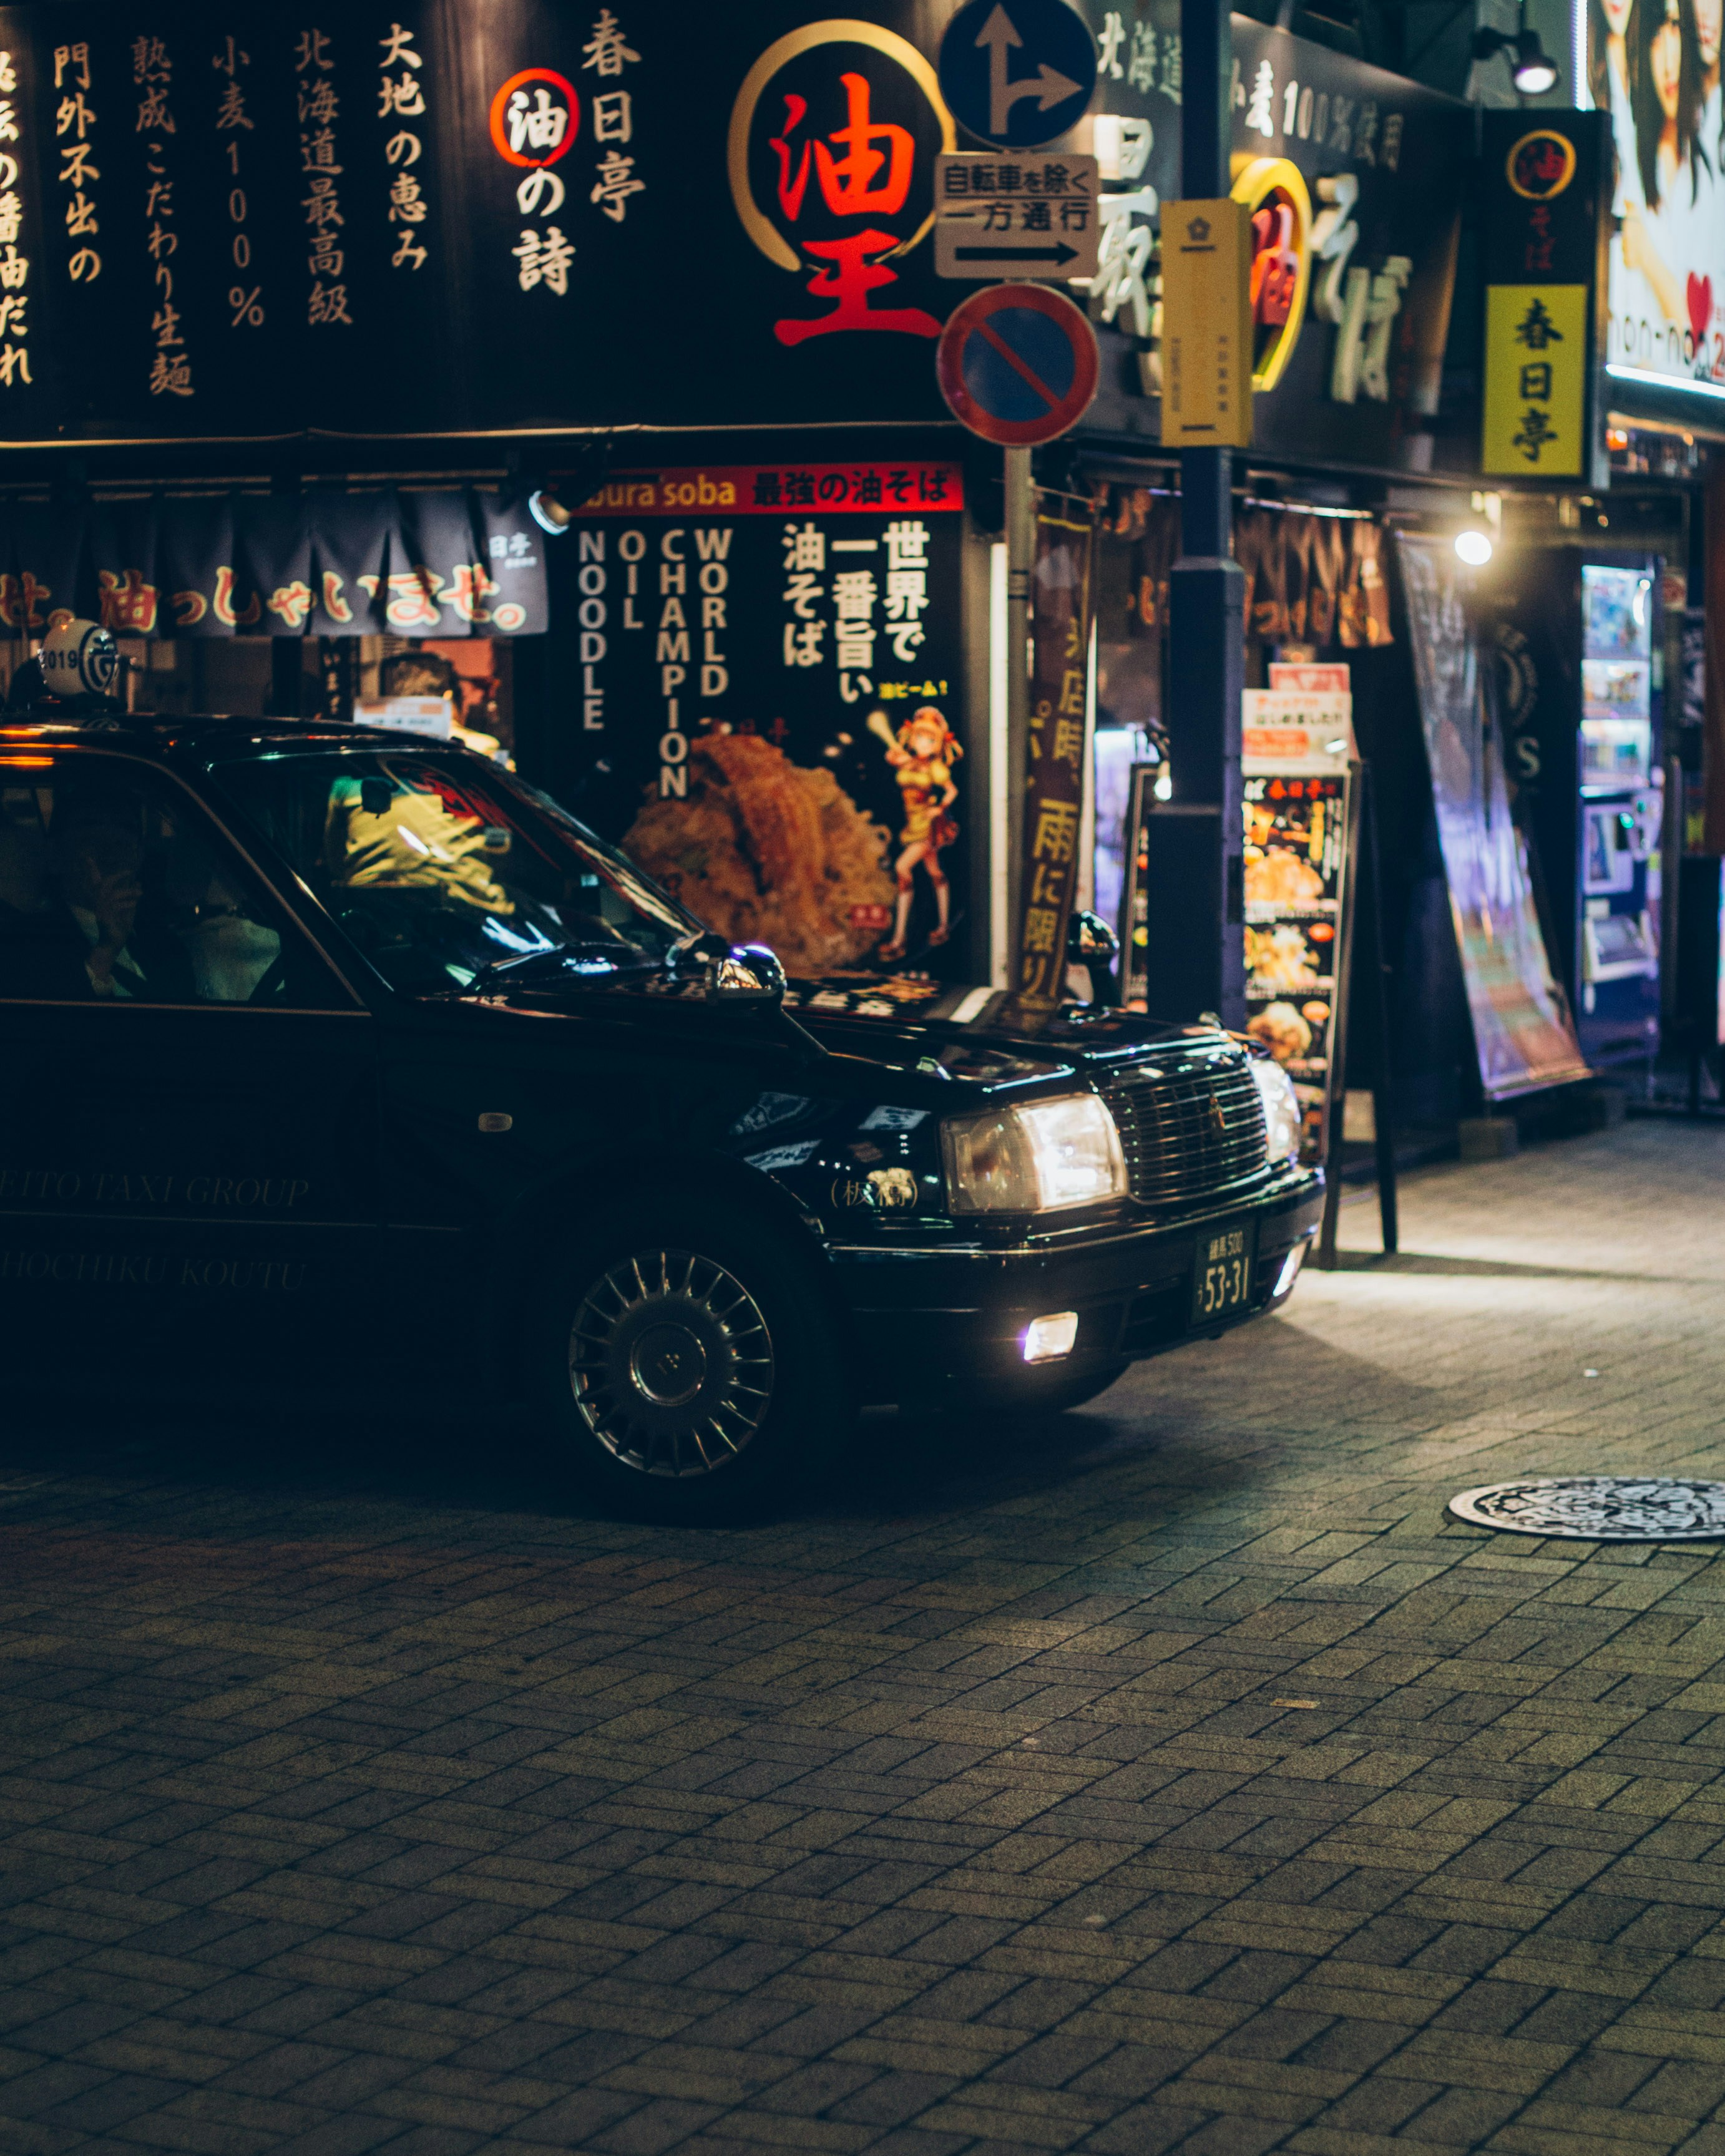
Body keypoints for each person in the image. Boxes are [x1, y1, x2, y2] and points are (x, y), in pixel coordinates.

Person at [869, 705, 961, 961]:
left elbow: (952, 791)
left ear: (938, 743)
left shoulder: (936, 769)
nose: (923, 743)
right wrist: (895, 757)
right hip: (913, 824)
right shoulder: (908, 762)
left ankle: (899, 939)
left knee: (902, 868)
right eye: (919, 737)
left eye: (930, 739)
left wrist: (939, 808)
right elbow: (894, 759)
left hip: (928, 827)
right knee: (935, 873)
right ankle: (943, 927)